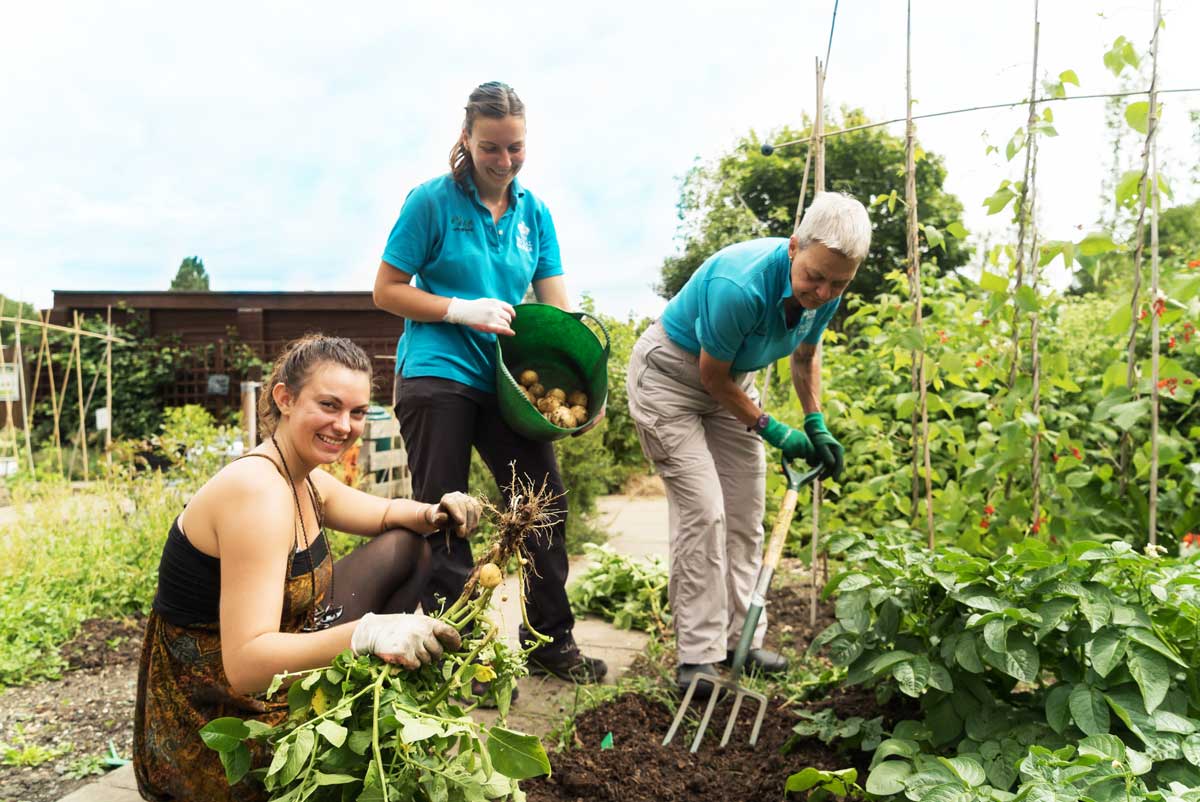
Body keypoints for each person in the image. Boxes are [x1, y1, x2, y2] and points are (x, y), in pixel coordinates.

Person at [134, 334, 483, 802]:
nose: (345, 425)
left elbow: (381, 514)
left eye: (357, 412)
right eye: (329, 405)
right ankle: (338, 708)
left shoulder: (303, 475)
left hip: (283, 648)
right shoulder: (257, 492)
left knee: (408, 546)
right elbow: (246, 665)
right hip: (218, 711)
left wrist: (437, 511)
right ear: (285, 398)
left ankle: (360, 697)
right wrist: (367, 633)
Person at [372, 81, 606, 687]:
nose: (504, 162)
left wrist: (587, 388)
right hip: (438, 372)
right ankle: (460, 653)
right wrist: (458, 309)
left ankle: (550, 642)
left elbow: (557, 314)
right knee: (448, 511)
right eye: (491, 149)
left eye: (515, 148)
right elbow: (386, 288)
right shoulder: (430, 203)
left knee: (543, 505)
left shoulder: (535, 213)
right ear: (467, 141)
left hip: (505, 383)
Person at [626, 192, 871, 696]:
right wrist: (776, 430)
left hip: (734, 382)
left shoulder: (829, 289)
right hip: (672, 378)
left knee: (744, 514)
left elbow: (803, 359)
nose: (823, 291)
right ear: (793, 247)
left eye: (838, 283)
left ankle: (743, 642)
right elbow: (711, 378)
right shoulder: (738, 285)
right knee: (705, 512)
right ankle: (697, 657)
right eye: (814, 277)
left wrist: (816, 423)